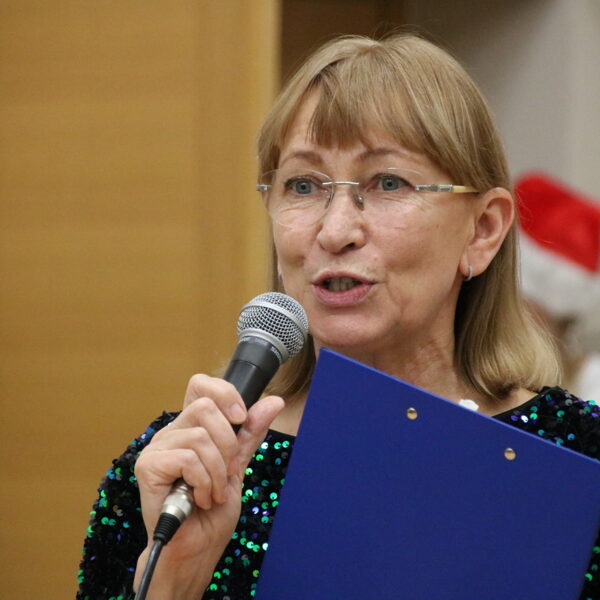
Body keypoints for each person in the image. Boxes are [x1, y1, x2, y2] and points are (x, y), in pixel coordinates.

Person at [76, 33, 600, 600]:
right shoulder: (179, 472)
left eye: (388, 183)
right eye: (303, 185)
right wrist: (175, 581)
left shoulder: (578, 456)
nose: (335, 230)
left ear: (483, 230)